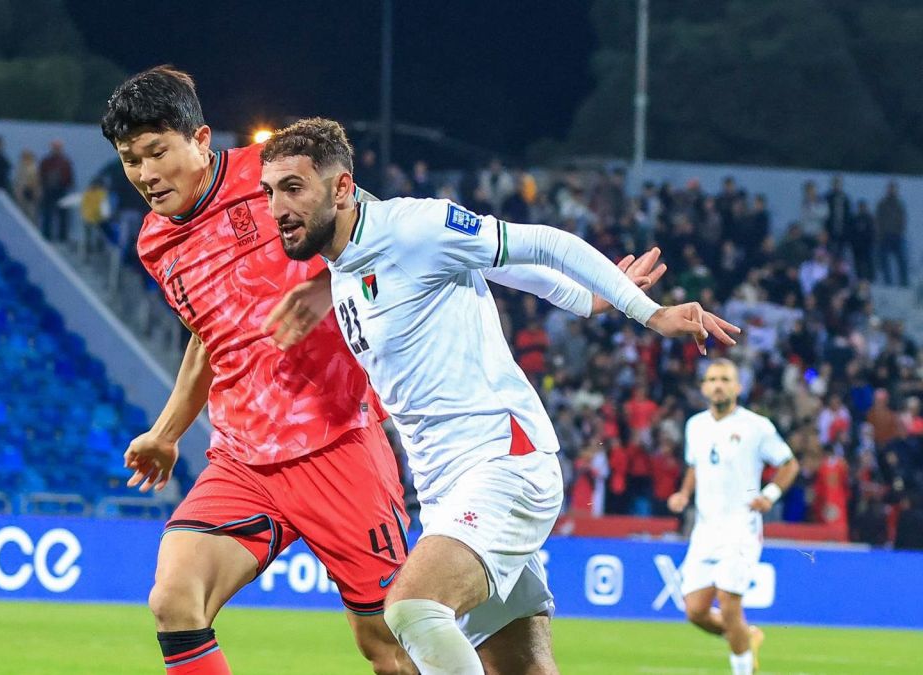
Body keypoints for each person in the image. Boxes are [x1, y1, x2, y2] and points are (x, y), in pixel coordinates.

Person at [257, 117, 739, 674]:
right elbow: (510, 270)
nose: (277, 208)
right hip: (445, 489)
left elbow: (539, 243)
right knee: (519, 668)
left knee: (413, 611)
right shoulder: (342, 273)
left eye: (293, 188)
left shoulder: (413, 226)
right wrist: (587, 301)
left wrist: (644, 311)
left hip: (503, 462)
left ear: (340, 188)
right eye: (270, 191)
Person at [100, 66, 413, 675]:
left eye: (157, 152)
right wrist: (166, 432)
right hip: (243, 459)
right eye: (130, 159)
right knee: (174, 599)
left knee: (389, 644)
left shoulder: (275, 172)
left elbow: (393, 233)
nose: (145, 174)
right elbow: (208, 337)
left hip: (337, 442)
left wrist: (327, 284)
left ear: (201, 138)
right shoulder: (154, 244)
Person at [667, 359, 800, 675]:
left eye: (725, 379)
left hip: (741, 527)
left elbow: (789, 464)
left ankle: (743, 670)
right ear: (703, 387)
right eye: (712, 379)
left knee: (728, 600)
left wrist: (769, 496)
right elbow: (694, 466)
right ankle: (746, 635)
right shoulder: (695, 425)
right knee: (696, 611)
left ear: (738, 387)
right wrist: (684, 494)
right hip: (705, 529)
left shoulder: (756, 427)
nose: (718, 384)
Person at [39, 140, 75, 242]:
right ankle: (46, 236)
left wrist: (68, 185)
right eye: (55, 148)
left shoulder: (65, 162)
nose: (56, 150)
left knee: (63, 215)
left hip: (61, 190)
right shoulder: (46, 161)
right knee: (47, 214)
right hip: (49, 190)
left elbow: (69, 176)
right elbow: (41, 174)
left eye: (58, 148)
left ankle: (62, 237)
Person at [13, 149, 41, 223]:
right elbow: (17, 181)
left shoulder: (34, 168)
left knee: (31, 214)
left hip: (30, 193)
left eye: (27, 156)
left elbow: (36, 182)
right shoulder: (19, 168)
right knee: (21, 213)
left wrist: (35, 192)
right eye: (24, 156)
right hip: (20, 193)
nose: (25, 158)